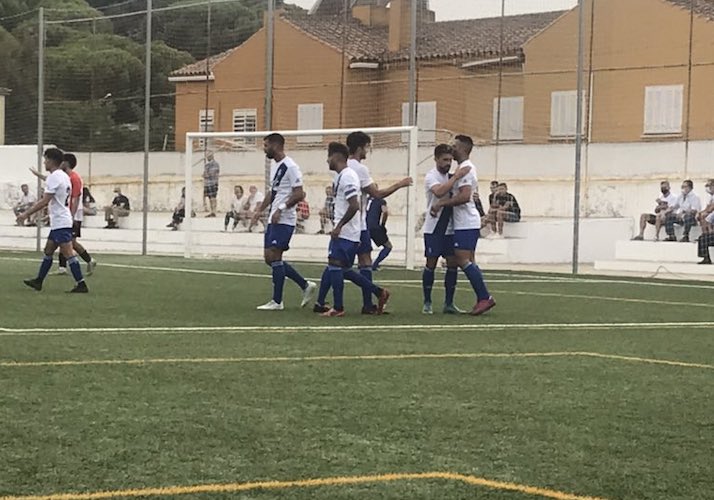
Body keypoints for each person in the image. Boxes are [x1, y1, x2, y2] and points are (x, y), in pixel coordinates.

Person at [316, 131, 411, 315]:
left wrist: (339, 226)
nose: (368, 150)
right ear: (360, 148)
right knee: (354, 264)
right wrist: (400, 184)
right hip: (358, 226)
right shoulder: (357, 169)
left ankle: (331, 303)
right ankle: (369, 300)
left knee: (338, 265)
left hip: (351, 227)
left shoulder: (345, 172)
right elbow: (377, 194)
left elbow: (355, 202)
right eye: (367, 146)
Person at [250, 133, 317, 310]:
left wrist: (281, 208)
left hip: (285, 219)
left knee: (275, 256)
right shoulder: (276, 166)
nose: (264, 149)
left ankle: (277, 301)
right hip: (274, 217)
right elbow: (273, 192)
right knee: (269, 258)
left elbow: (299, 193)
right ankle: (304, 285)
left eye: (266, 145)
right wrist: (259, 210)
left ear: (276, 145)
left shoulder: (291, 166)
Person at [431, 134, 495, 316]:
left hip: (466, 222)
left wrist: (441, 203)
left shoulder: (466, 169)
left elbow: (465, 196)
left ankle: (485, 297)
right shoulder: (461, 168)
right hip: (464, 222)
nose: (452, 148)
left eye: (455, 146)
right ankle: (481, 298)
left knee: (462, 259)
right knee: (466, 260)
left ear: (463, 149)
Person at [16, 148, 88, 293]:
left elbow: (44, 201)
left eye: (45, 159)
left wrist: (25, 214)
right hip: (60, 220)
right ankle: (39, 281)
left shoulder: (55, 177)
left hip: (61, 221)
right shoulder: (62, 176)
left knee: (68, 253)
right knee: (48, 250)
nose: (44, 162)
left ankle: (81, 284)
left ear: (50, 160)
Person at [422, 144, 471, 314]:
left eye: (450, 160)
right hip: (434, 228)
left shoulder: (451, 176)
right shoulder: (431, 176)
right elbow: (439, 191)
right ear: (436, 159)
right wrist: (456, 177)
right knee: (431, 263)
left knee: (452, 264)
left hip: (450, 228)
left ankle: (449, 303)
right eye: (444, 160)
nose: (448, 163)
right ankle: (427, 302)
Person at [56, 153, 96, 275]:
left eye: (62, 161)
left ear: (66, 163)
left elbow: (76, 198)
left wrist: (71, 215)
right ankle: (62, 267)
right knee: (64, 241)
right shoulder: (65, 177)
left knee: (70, 242)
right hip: (68, 213)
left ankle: (89, 260)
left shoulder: (75, 178)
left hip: (74, 214)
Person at [366, 189, 392, 271]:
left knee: (363, 247)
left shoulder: (366, 200)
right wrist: (383, 225)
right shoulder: (381, 201)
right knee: (388, 246)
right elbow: (385, 212)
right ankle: (375, 265)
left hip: (364, 227)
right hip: (375, 227)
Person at [203, 151, 220, 217]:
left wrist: (206, 174)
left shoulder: (215, 164)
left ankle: (214, 211)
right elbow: (204, 174)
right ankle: (211, 211)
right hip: (207, 183)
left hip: (213, 183)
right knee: (210, 198)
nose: (207, 157)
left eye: (208, 156)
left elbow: (212, 174)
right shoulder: (207, 165)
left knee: (213, 197)